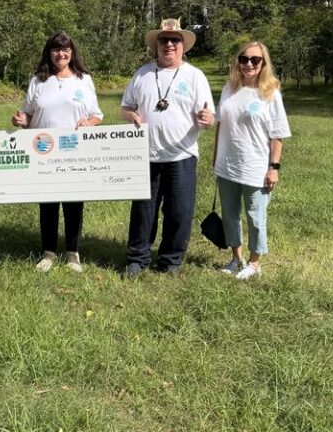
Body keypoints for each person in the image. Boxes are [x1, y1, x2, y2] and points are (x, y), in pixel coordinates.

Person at [121, 18, 215, 276]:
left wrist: (207, 120)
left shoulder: (195, 76)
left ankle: (170, 260)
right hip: (146, 155)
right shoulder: (142, 74)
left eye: (175, 40)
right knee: (143, 210)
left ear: (183, 45)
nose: (169, 45)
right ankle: (137, 259)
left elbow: (208, 117)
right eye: (164, 40)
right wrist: (131, 116)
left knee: (179, 211)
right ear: (157, 45)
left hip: (182, 155)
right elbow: (126, 107)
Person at [11, 31, 104, 273]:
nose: (60, 54)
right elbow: (28, 113)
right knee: (48, 204)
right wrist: (21, 119)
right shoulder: (38, 81)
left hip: (76, 152)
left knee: (74, 204)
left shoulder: (84, 80)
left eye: (65, 49)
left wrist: (89, 123)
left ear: (72, 53)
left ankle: (73, 253)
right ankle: (48, 252)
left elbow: (97, 114)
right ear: (49, 53)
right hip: (45, 152)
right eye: (55, 49)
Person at [213, 41, 291, 280]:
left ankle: (255, 263)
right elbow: (220, 124)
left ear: (263, 63)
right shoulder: (229, 88)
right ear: (238, 61)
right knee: (230, 214)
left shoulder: (270, 93)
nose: (249, 64)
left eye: (255, 60)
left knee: (256, 217)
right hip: (227, 165)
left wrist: (273, 168)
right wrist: (215, 157)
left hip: (255, 167)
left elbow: (278, 134)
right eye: (244, 59)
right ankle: (237, 259)